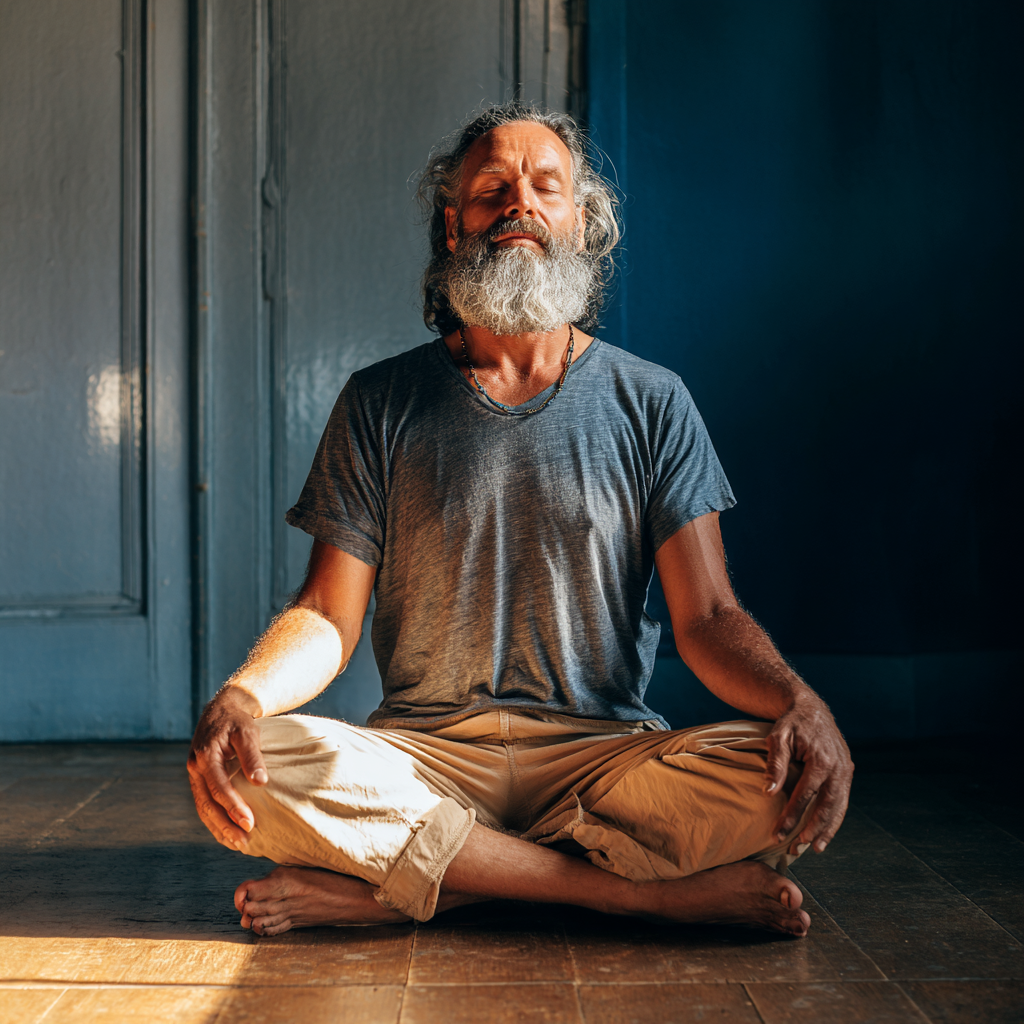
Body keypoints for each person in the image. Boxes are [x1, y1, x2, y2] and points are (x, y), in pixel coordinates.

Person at [187, 103, 853, 939]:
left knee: (777, 770)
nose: (520, 205)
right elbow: (326, 614)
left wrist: (801, 701)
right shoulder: (380, 399)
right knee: (257, 766)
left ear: (581, 220)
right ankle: (629, 894)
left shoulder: (652, 400)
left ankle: (427, 881)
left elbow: (709, 617)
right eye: (492, 189)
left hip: (603, 757)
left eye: (546, 186)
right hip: (426, 754)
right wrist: (242, 696)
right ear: (452, 219)